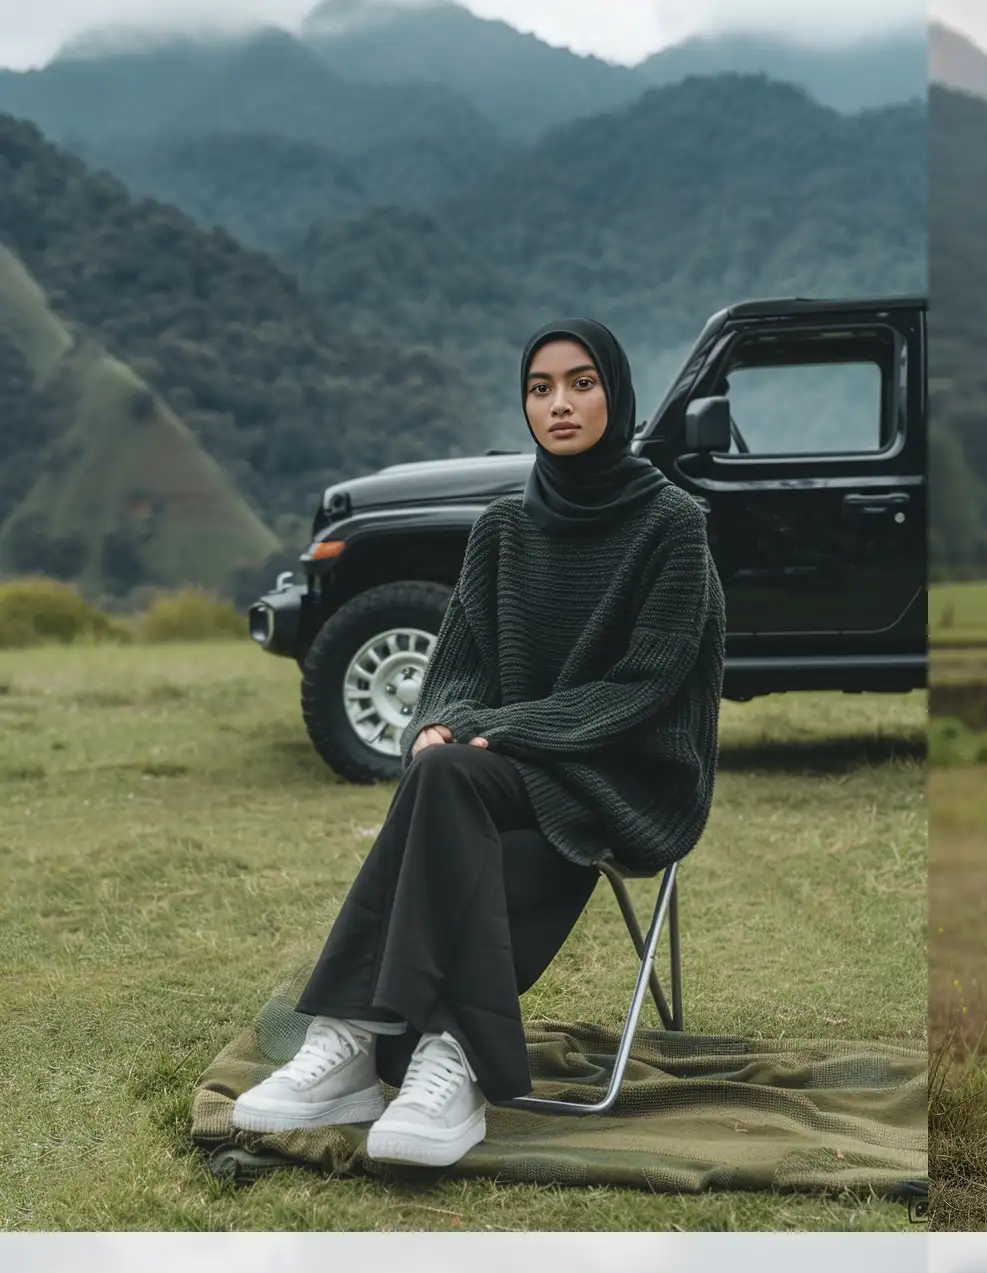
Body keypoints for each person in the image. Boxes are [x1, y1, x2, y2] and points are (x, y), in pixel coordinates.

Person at [234, 320, 727, 1168]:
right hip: (514, 767)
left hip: (625, 773)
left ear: (617, 393)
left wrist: (497, 727)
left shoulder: (671, 525)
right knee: (440, 771)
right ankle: (430, 1053)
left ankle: (392, 1037)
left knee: (454, 776)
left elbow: (642, 689)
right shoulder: (504, 528)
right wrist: (444, 720)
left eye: (581, 382)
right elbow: (457, 667)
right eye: (541, 388)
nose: (561, 403)